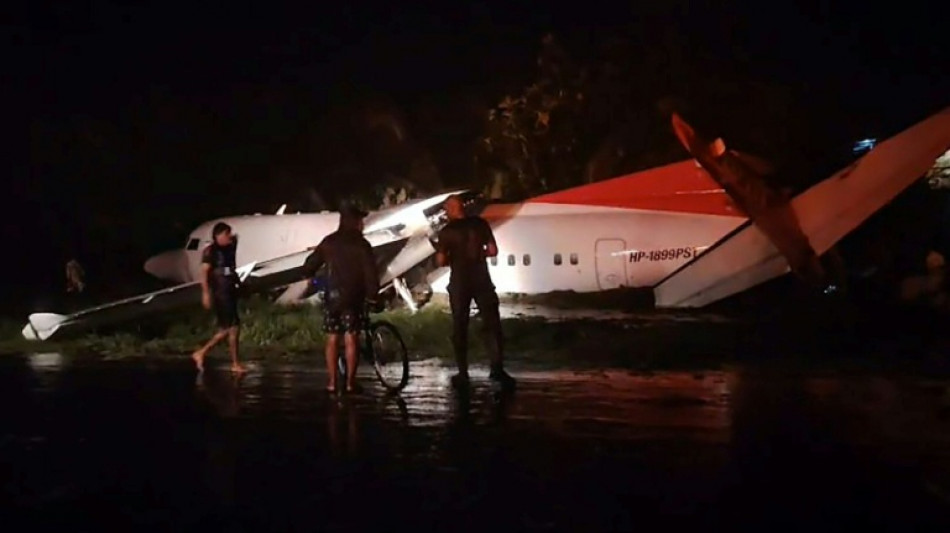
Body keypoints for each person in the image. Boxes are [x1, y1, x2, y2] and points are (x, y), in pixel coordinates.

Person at [434, 194, 515, 391]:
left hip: (460, 282)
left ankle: (463, 373)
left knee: (460, 326)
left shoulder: (447, 232)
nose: (445, 211)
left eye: (446, 208)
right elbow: (493, 250)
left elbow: (441, 261)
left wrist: (451, 255)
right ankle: (497, 369)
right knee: (492, 324)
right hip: (482, 279)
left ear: (453, 209)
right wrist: (480, 254)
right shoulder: (480, 224)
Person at [304, 204, 380, 394]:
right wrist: (373, 295)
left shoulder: (329, 242)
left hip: (332, 297)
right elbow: (370, 274)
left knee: (332, 338)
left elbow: (309, 265)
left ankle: (331, 382)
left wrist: (311, 277)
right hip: (353, 297)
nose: (362, 224)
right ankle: (349, 383)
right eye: (360, 220)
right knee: (351, 338)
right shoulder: (362, 245)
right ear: (354, 222)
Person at [192, 222, 246, 374]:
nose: (229, 237)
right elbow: (204, 274)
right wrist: (205, 293)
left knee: (233, 328)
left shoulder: (229, 248)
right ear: (218, 236)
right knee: (229, 328)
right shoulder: (211, 251)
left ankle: (234, 363)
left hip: (230, 290)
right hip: (220, 293)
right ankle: (202, 352)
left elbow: (231, 269)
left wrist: (239, 284)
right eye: (226, 234)